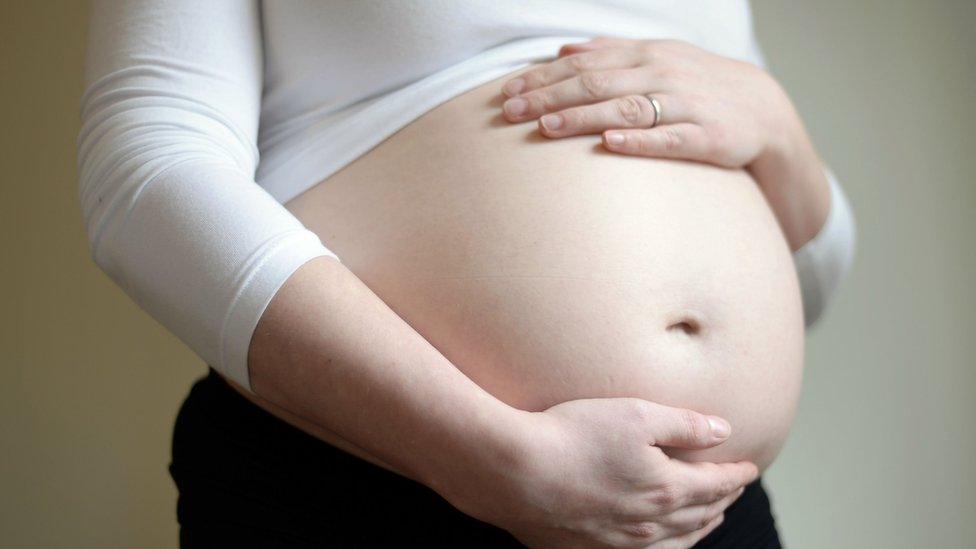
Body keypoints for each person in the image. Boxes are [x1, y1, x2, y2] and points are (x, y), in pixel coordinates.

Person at [77, 1, 855, 547]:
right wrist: (491, 459)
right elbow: (145, 172)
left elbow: (814, 277)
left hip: (699, 513)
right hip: (371, 485)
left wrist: (778, 127)